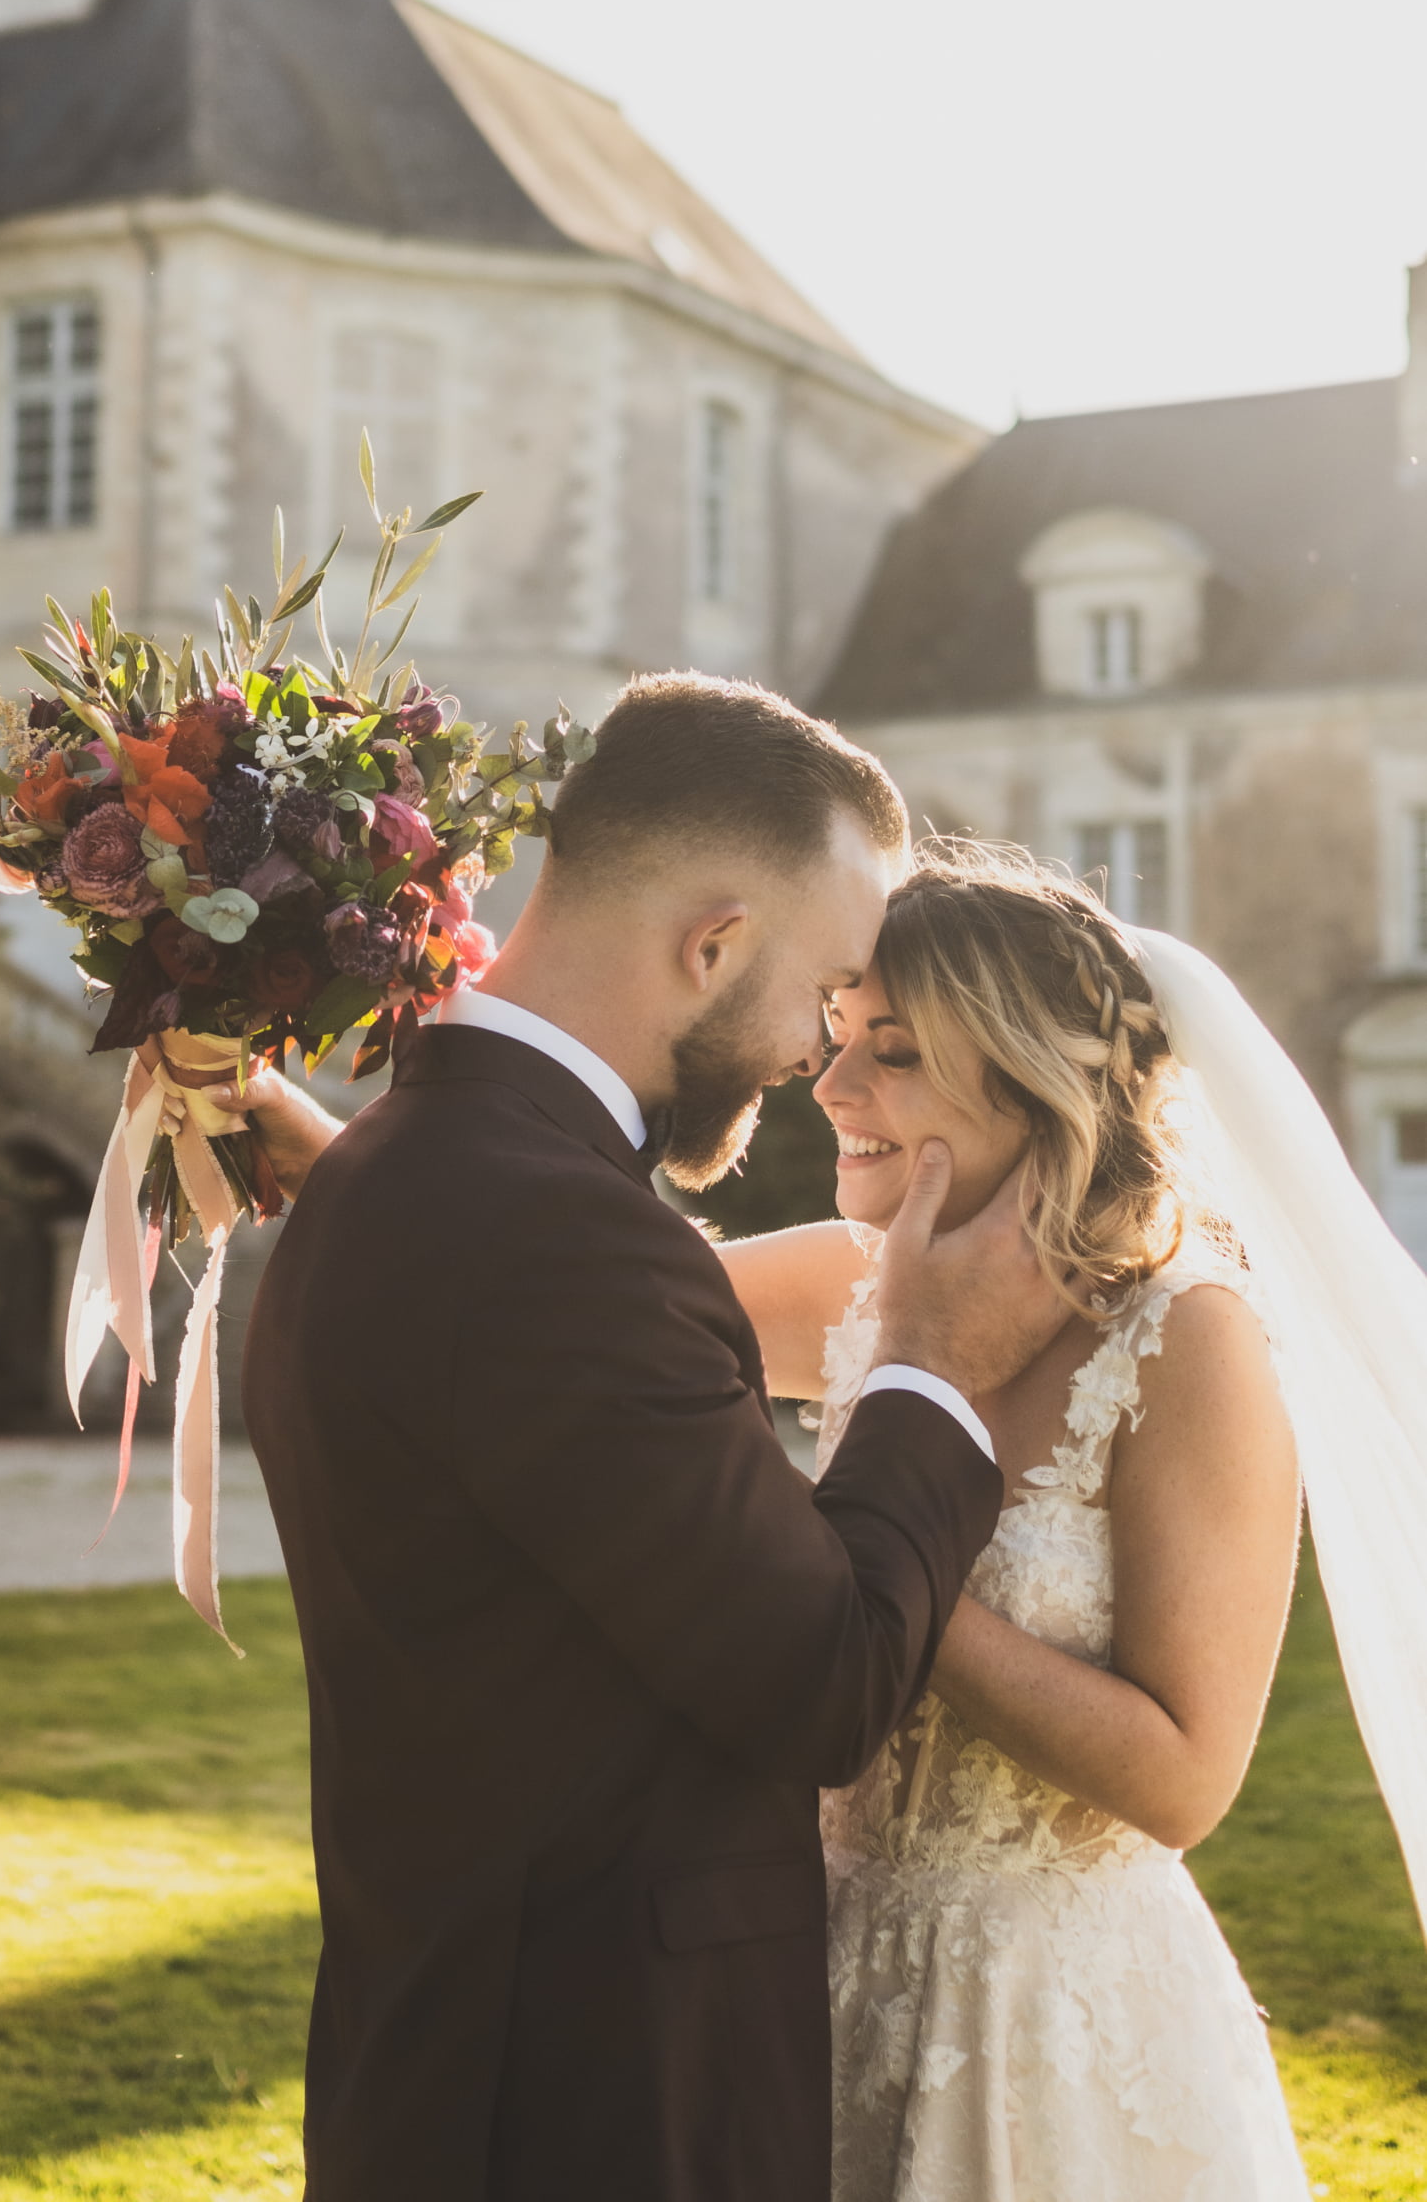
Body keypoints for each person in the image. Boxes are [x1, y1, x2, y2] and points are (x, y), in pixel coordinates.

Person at [235, 676, 1066, 2202]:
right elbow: (822, 1681)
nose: (814, 1060)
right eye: (825, 990)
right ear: (713, 945)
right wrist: (936, 1369)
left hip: (461, 2060)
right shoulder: (544, 1222)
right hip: (594, 2101)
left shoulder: (416, 1174)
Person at [716, 841, 1310, 2198]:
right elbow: (574, 1297)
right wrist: (313, 1146)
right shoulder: (869, 1289)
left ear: (1031, 1080)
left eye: (895, 1053)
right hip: (812, 1968)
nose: (830, 1085)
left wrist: (867, 1578)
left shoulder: (1185, 1341)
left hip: (1044, 2025)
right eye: (836, 1037)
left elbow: (1181, 1782)